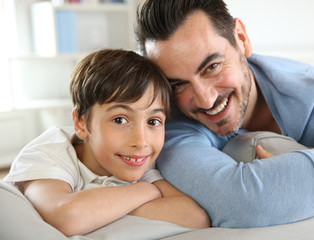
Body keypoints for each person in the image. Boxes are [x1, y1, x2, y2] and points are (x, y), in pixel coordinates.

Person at [136, 0, 314, 228]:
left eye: (212, 67)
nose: (206, 99)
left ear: (241, 40)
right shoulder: (170, 122)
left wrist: (298, 186)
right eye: (178, 84)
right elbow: (242, 203)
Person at [3, 49, 210, 236]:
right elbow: (67, 217)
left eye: (153, 121)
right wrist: (147, 191)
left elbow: (195, 217)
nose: (141, 141)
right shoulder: (50, 152)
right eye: (120, 119)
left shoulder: (137, 161)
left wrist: (100, 212)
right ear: (81, 123)